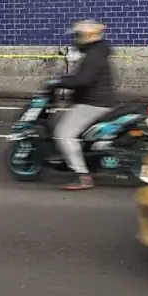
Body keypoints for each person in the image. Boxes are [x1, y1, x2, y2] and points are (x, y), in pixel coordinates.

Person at [51, 20, 117, 191]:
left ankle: (82, 175)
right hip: (98, 100)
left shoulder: (94, 56)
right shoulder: (97, 52)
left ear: (87, 36)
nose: (76, 40)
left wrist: (60, 82)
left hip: (93, 103)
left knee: (64, 134)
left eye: (78, 36)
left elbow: (83, 80)